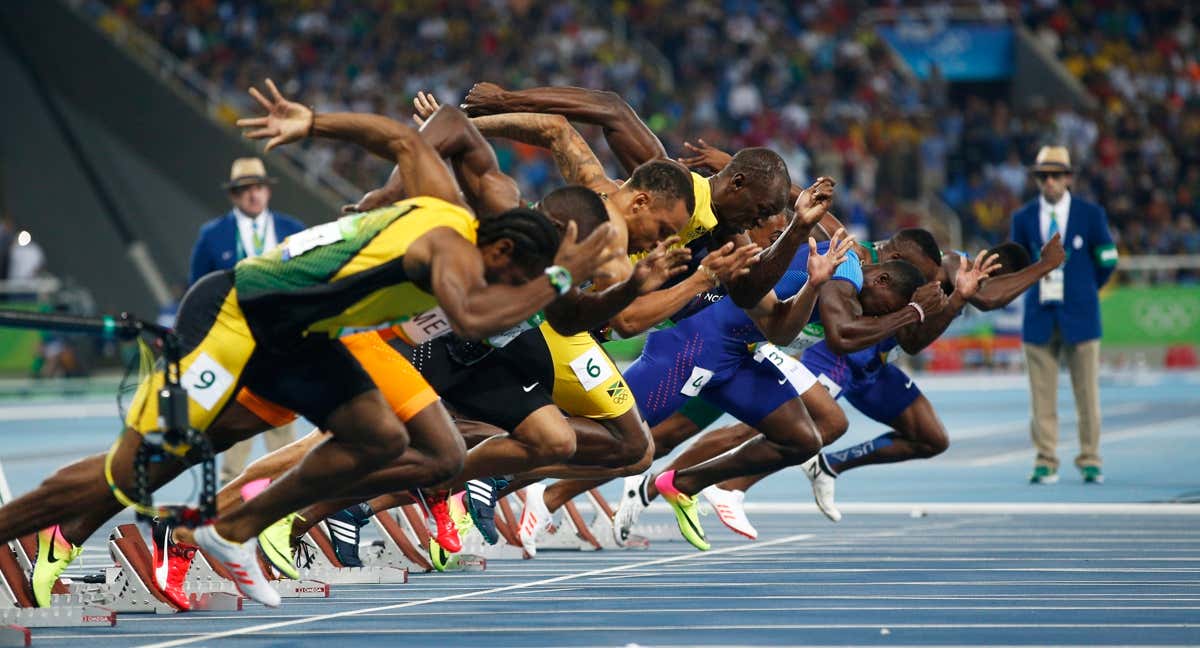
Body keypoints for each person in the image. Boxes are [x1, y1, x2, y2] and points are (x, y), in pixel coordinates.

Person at [0, 79, 619, 608]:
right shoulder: (451, 254)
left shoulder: (443, 198)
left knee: (400, 443)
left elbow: (418, 134)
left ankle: (234, 527)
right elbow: (475, 315)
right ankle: (29, 530)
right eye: (516, 280)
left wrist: (317, 123)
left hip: (305, 338)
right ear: (503, 250)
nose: (515, 291)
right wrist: (562, 276)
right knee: (132, 472)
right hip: (235, 314)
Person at [189, 157, 306, 485]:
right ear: (233, 195)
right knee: (236, 422)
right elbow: (198, 290)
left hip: (283, 339)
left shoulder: (293, 230)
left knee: (283, 421)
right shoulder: (213, 236)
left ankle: (283, 499)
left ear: (268, 191)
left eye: (258, 188)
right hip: (234, 340)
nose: (253, 195)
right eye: (245, 190)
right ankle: (228, 502)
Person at [1010, 146, 1117, 485]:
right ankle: (1046, 460)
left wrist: (1084, 288)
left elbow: (1108, 259)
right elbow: (1017, 264)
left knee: (1087, 394)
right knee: (1041, 395)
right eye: (1043, 176)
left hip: (1081, 314)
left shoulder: (1091, 214)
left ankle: (1090, 459)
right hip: (1039, 314)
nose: (1050, 182)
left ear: (1069, 177)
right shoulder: (1023, 218)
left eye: (1056, 175)